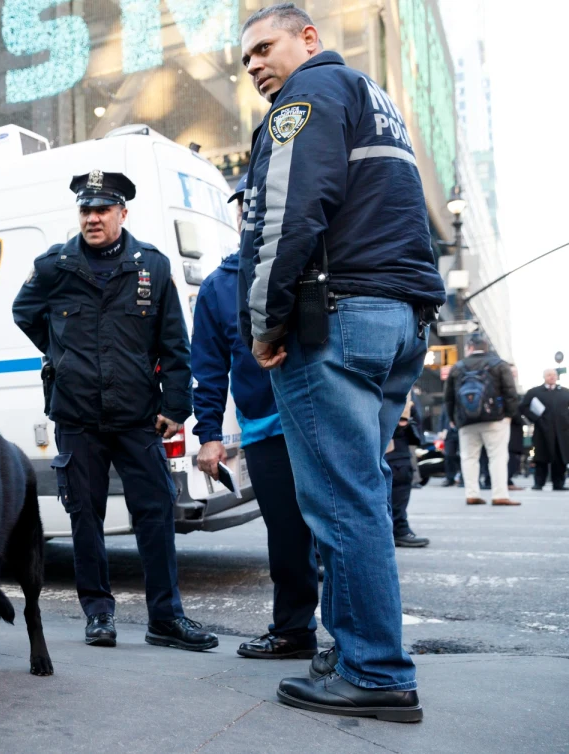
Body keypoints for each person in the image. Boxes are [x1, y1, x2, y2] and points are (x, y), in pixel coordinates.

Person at [237, 3, 445, 722]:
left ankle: (375, 672)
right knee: (357, 490)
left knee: (341, 500)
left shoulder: (308, 96)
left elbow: (290, 212)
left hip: (337, 322)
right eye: (247, 59)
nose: (257, 64)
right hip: (398, 319)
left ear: (309, 39)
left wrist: (264, 325)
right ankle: (350, 649)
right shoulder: (373, 100)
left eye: (266, 47)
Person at [12, 169, 217, 653]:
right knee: (86, 516)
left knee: (157, 512)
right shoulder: (54, 267)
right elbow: (25, 313)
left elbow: (175, 343)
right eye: (86, 210)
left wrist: (176, 404)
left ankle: (165, 618)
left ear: (123, 213)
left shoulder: (154, 267)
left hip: (137, 416)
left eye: (103, 209)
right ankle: (98, 614)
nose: (93, 218)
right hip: (77, 417)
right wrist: (60, 352)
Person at [191, 175, 319, 660]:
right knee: (287, 537)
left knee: (339, 531)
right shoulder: (219, 289)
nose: (251, 213)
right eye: (245, 206)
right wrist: (208, 436)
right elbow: (207, 370)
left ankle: (357, 642)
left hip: (319, 420)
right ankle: (294, 631)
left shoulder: (313, 265)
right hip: (267, 431)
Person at [443, 334, 520, 506]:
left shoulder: (458, 367)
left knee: (469, 457)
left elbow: (448, 397)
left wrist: (452, 418)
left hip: (466, 420)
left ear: (470, 347)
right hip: (495, 419)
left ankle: (472, 493)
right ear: (486, 347)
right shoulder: (499, 365)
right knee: (497, 456)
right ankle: (499, 494)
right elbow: (510, 393)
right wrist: (508, 415)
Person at [386, 394, 430, 547]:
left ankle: (395, 527)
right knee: (398, 472)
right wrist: (403, 416)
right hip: (391, 415)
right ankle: (398, 528)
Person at [520, 369, 569, 491]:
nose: (552, 377)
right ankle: (539, 483)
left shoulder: (565, 392)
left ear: (557, 377)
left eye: (554, 375)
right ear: (544, 377)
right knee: (541, 458)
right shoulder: (534, 392)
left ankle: (559, 483)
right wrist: (535, 418)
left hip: (561, 432)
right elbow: (523, 407)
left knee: (560, 458)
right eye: (549, 375)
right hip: (542, 431)